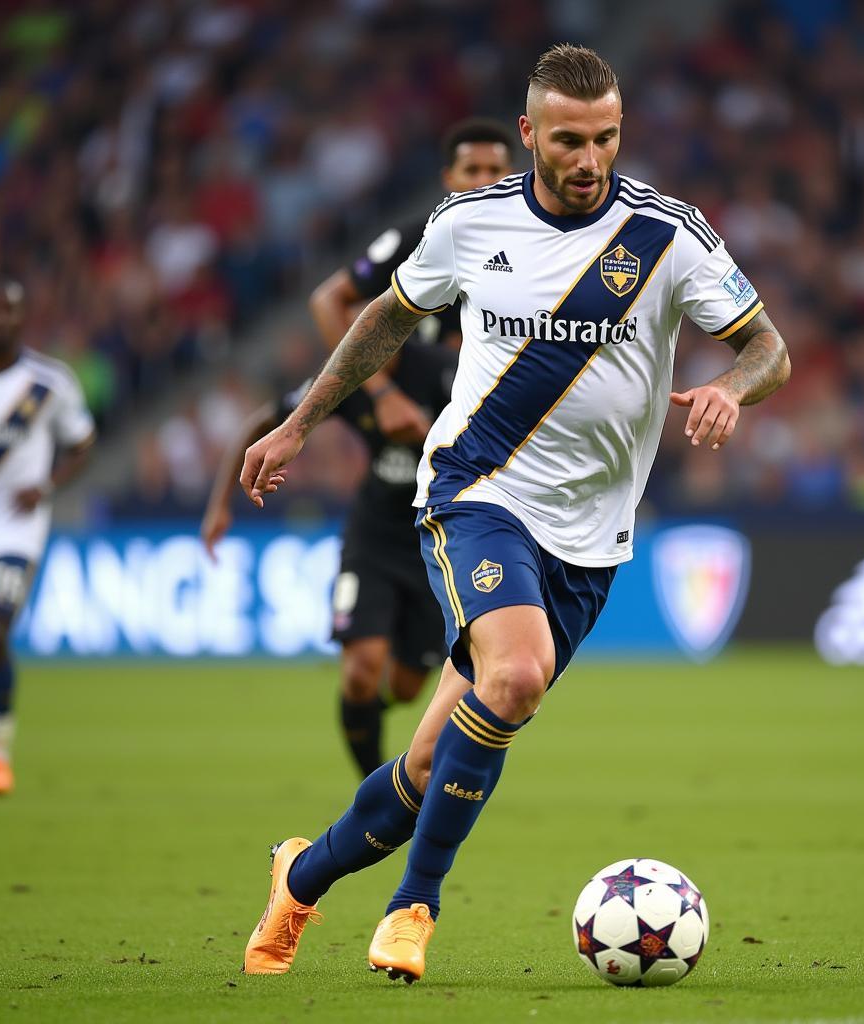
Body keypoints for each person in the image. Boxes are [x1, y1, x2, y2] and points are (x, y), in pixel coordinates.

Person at [236, 44, 790, 982]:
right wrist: (299, 425)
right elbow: (383, 316)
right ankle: (414, 908)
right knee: (519, 676)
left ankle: (302, 876)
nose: (588, 160)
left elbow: (768, 346)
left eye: (605, 139)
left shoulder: (668, 236)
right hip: (476, 492)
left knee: (422, 770)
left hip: (592, 539)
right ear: (530, 133)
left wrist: (735, 386)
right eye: (568, 140)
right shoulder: (468, 222)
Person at [201, 120, 514, 777]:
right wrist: (377, 397)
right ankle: (374, 791)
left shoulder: (531, 251)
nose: (484, 184)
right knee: (362, 668)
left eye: (496, 172)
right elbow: (331, 305)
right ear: (447, 181)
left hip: (449, 521)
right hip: (379, 523)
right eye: (471, 172)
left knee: (404, 685)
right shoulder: (417, 247)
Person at [0, 279, 95, 799]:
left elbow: (82, 444)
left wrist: (47, 486)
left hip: (16, 534)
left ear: (21, 319)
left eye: (8, 311)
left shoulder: (49, 384)